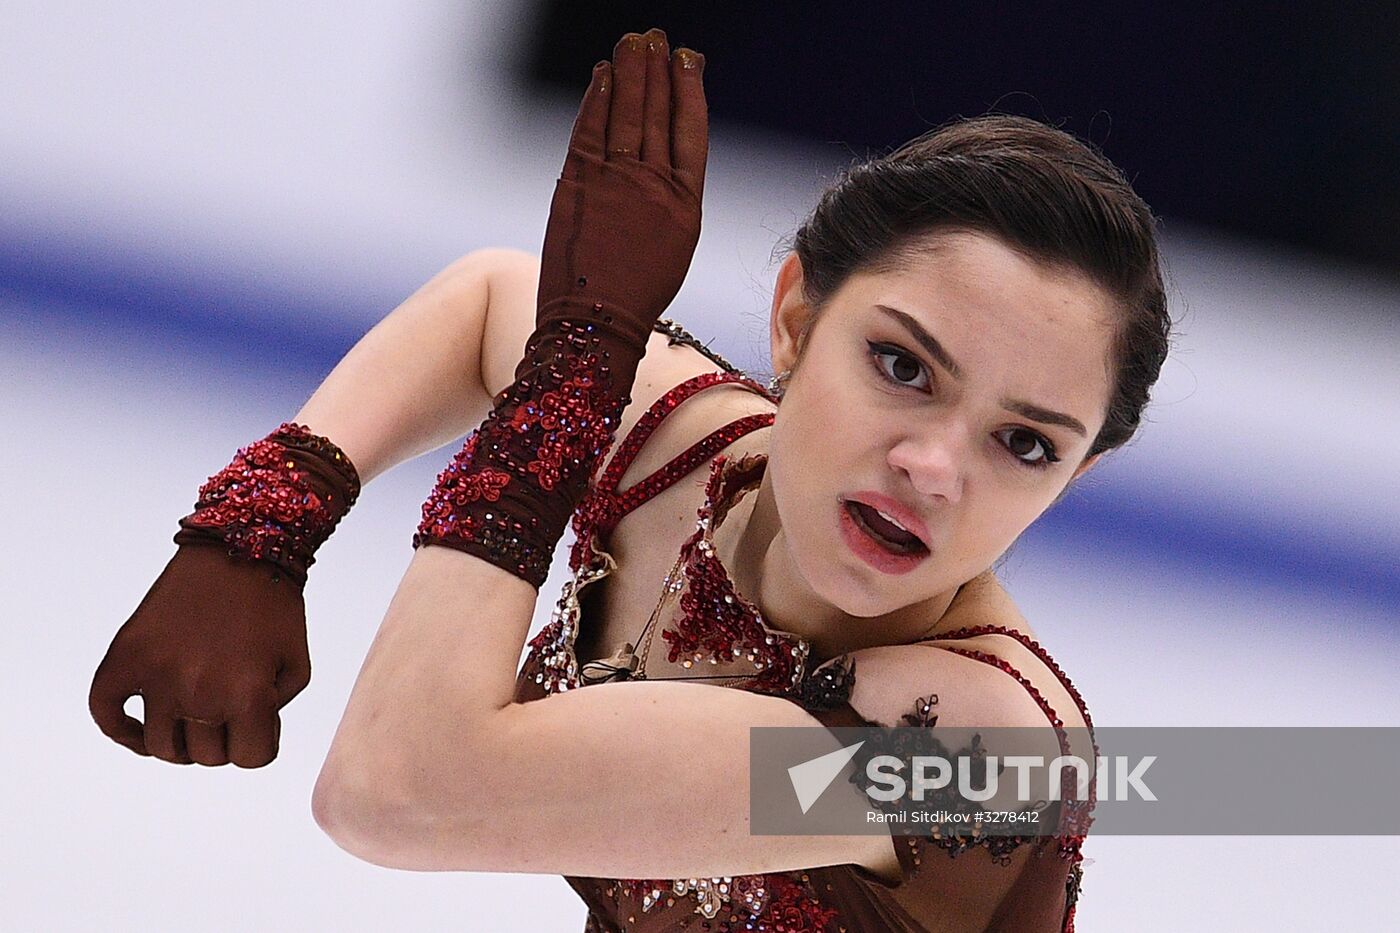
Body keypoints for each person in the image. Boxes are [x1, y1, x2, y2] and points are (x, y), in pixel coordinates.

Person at [90, 26, 1169, 932]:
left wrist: (579, 356)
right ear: (792, 320)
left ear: (1076, 471)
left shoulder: (967, 749)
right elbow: (486, 301)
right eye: (900, 366)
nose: (931, 468)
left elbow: (395, 791)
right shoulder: (688, 451)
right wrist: (270, 512)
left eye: (1024, 444)